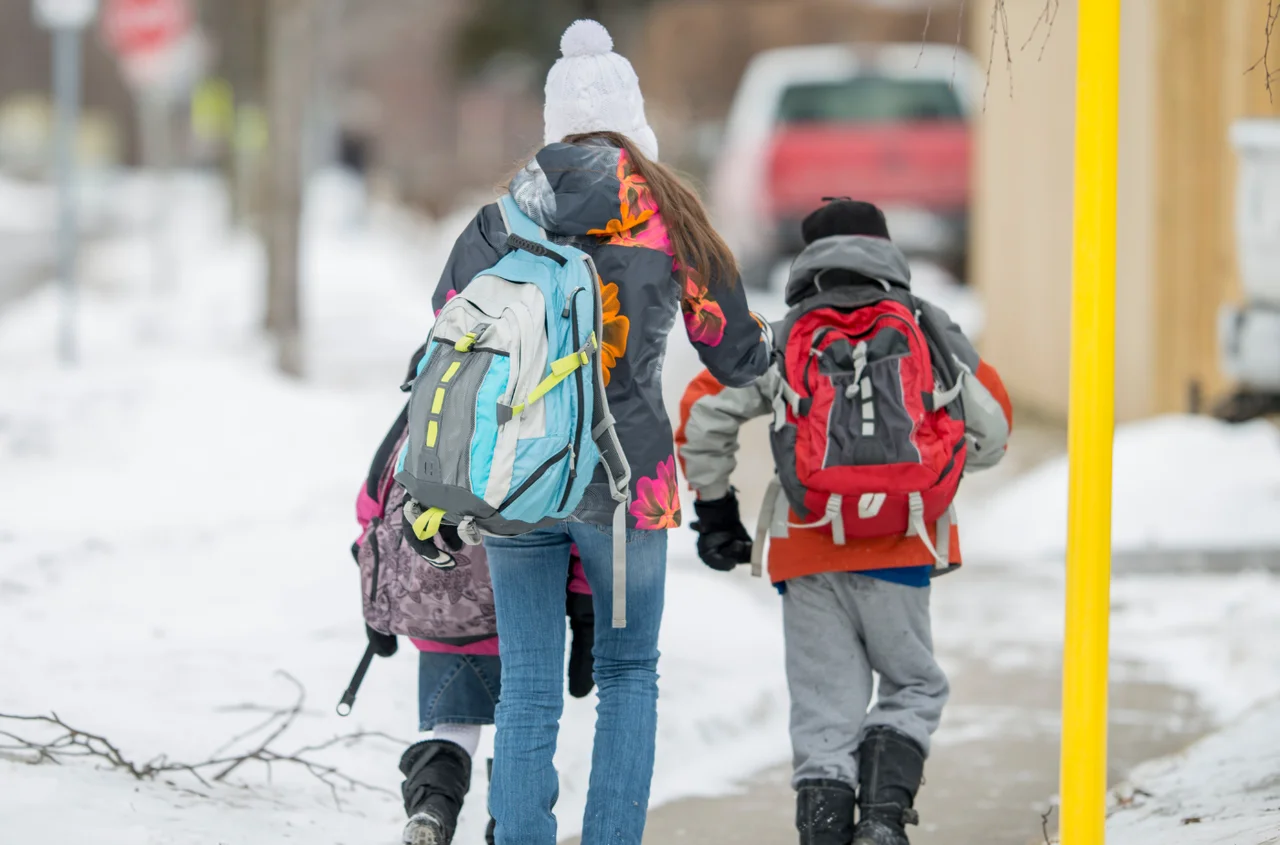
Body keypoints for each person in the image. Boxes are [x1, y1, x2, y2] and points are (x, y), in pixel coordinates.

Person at [430, 18, 770, 845]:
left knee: (529, 686)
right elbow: (733, 356)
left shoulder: (507, 216)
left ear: (554, 122)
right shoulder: (670, 215)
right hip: (630, 480)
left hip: (516, 475)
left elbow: (446, 324)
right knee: (626, 674)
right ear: (632, 117)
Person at [675, 199, 1014, 845]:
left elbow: (703, 411)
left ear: (808, 258)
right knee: (913, 685)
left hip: (808, 550)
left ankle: (825, 834)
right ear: (886, 251)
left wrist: (717, 511)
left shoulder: (784, 332)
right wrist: (931, 470)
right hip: (903, 545)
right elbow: (993, 429)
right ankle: (884, 823)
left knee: (824, 715)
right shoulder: (929, 325)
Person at [352, 383, 596, 845]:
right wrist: (584, 610)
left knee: (451, 725)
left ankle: (431, 809)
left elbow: (373, 504)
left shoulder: (424, 412)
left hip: (436, 612)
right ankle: (509, 828)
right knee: (520, 725)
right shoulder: (536, 397)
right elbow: (568, 514)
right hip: (519, 613)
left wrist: (374, 604)